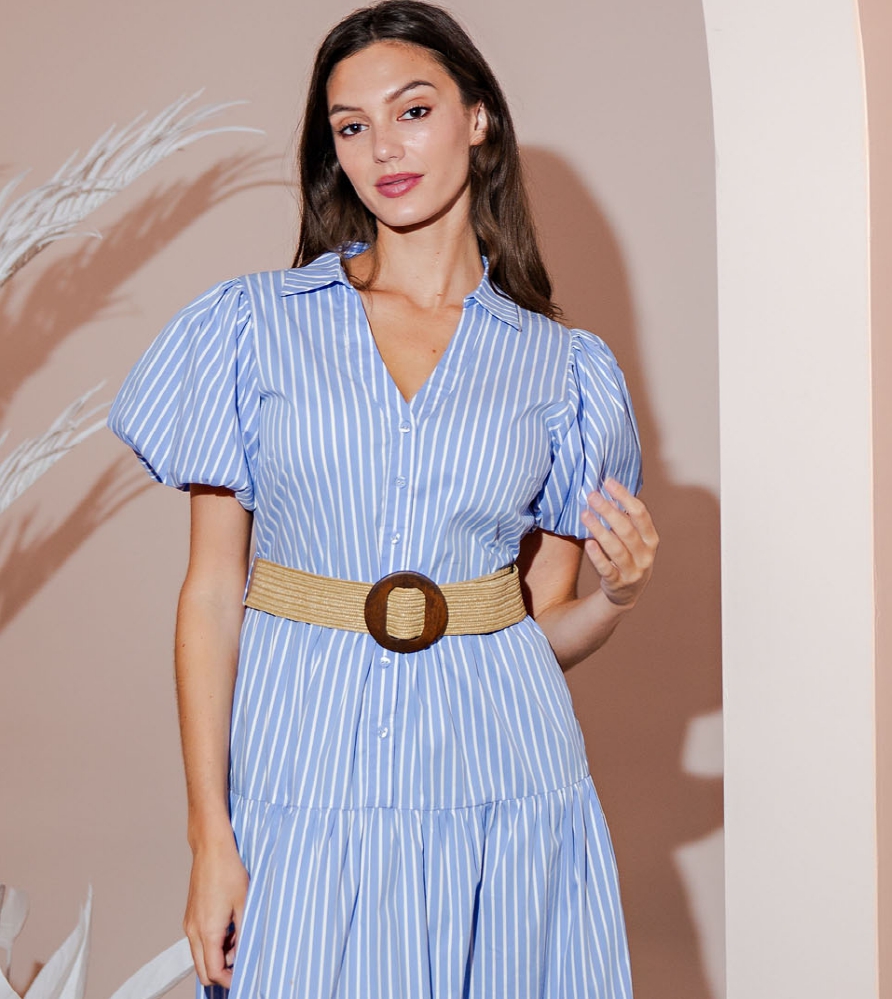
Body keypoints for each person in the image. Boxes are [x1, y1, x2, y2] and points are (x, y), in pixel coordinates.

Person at [108, 2, 658, 996]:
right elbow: (210, 594)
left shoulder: (562, 367)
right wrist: (209, 836)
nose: (382, 149)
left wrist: (615, 599)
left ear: (478, 119)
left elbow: (538, 627)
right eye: (351, 126)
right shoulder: (252, 328)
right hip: (303, 768)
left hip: (503, 774)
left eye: (412, 111)